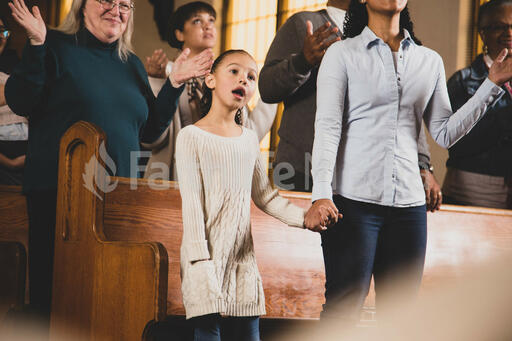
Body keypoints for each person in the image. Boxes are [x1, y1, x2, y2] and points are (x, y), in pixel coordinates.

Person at [5, 0, 211, 331]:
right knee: (60, 307)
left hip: (120, 202)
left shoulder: (129, 63)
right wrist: (37, 45)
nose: (116, 10)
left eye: (125, 5)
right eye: (107, 1)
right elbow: (20, 99)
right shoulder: (54, 44)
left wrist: (173, 85)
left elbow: (148, 130)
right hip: (61, 199)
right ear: (82, 5)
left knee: (111, 301)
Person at [307, 0, 512, 324]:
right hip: (353, 203)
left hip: (409, 208)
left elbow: (443, 133)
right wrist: (321, 194)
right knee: (342, 312)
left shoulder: (427, 60)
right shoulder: (342, 54)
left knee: (400, 318)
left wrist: (491, 85)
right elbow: (328, 127)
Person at [175, 49, 332, 341]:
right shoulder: (191, 137)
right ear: (210, 80)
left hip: (243, 261)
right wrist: (200, 262)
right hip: (203, 259)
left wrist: (304, 218)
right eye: (233, 71)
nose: (243, 80)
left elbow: (266, 196)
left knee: (250, 335)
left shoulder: (248, 139)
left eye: (251, 77)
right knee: (207, 334)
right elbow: (192, 206)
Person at [259, 0, 442, 212]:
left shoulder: (388, 35)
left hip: (366, 177)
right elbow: (267, 88)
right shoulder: (303, 23)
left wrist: (422, 163)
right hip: (303, 170)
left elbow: (403, 108)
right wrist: (302, 61)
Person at [144, 1, 277, 181]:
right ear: (179, 33)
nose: (208, 26)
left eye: (212, 20)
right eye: (198, 21)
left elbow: (247, 131)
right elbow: (153, 137)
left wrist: (276, 89)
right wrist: (157, 81)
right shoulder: (165, 73)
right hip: (172, 177)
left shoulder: (228, 77)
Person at [442, 0, 512, 209]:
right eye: (499, 26)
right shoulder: (463, 81)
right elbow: (453, 140)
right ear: (483, 34)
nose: (509, 33)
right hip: (473, 189)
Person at [0, 15, 26, 185]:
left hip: (28, 156)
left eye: (3, 31)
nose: (1, 36)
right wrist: (7, 162)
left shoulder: (14, 72)